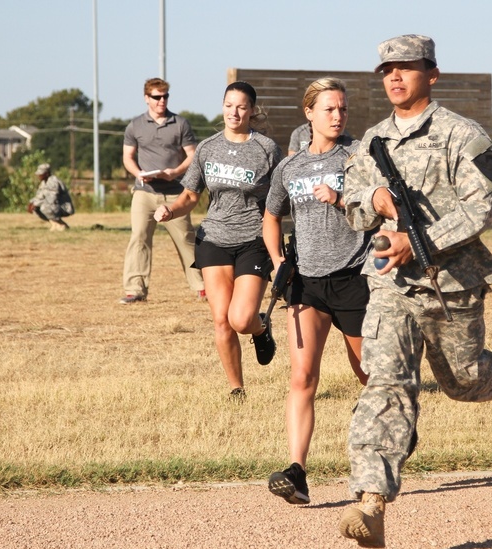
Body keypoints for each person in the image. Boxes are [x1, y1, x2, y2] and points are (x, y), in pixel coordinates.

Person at [337, 35, 492, 549]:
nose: (394, 77)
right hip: (389, 285)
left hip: (451, 285)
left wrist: (419, 244)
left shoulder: (462, 136)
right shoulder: (371, 141)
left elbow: (482, 206)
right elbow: (352, 203)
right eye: (387, 70)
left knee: (463, 381)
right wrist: (370, 197)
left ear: (432, 74)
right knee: (387, 384)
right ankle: (371, 502)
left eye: (407, 68)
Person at [263, 77, 370, 506]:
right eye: (329, 109)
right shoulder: (289, 168)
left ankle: (383, 446)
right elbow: (271, 216)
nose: (338, 115)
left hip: (354, 277)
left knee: (370, 376)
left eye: (342, 108)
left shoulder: (358, 155)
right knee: (302, 377)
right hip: (306, 282)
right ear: (309, 113)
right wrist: (278, 263)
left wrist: (343, 198)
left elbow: (381, 204)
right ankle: (298, 471)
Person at [156, 81, 282, 400]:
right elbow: (190, 195)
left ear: (252, 110)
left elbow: (279, 199)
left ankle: (260, 328)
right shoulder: (208, 148)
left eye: (241, 107)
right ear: (222, 107)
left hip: (252, 238)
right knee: (221, 319)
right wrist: (171, 209)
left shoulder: (266, 149)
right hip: (213, 237)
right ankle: (236, 388)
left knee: (241, 319)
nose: (234, 112)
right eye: (228, 105)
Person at [120, 77, 205, 304]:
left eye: (165, 96)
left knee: (187, 239)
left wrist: (175, 172)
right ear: (146, 98)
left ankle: (202, 286)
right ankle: (135, 290)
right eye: (157, 97)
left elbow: (192, 155)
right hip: (144, 192)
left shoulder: (180, 124)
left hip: (175, 192)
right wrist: (138, 173)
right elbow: (128, 157)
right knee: (139, 238)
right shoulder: (135, 125)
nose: (161, 101)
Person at [27, 163, 74, 231]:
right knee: (35, 208)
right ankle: (55, 224)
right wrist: (31, 203)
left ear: (47, 174)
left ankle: (61, 225)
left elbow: (52, 199)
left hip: (64, 207)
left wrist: (36, 203)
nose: (39, 176)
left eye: (41, 174)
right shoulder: (44, 182)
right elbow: (39, 196)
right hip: (55, 206)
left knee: (44, 207)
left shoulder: (53, 182)